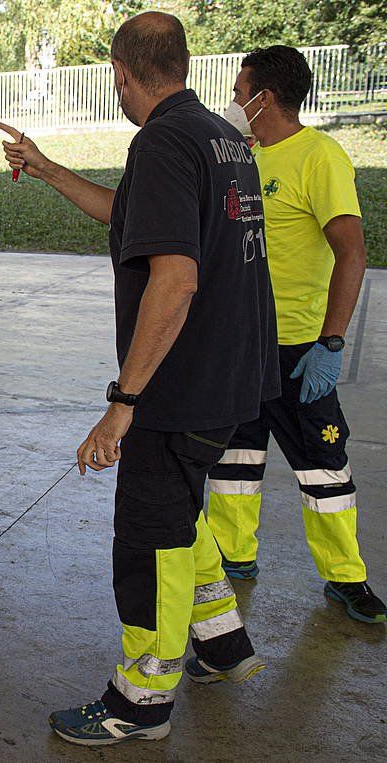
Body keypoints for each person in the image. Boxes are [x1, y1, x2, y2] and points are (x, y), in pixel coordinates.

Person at [0, 11, 278, 746]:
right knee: (182, 515)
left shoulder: (161, 141)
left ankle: (141, 701)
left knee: (150, 538)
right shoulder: (221, 137)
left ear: (120, 74)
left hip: (180, 388)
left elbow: (176, 278)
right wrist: (49, 167)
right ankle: (219, 645)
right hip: (232, 378)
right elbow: (131, 219)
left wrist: (123, 403)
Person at [205, 46, 384, 623]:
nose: (234, 100)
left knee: (323, 465)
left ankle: (345, 577)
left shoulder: (320, 157)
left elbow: (352, 252)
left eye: (241, 90)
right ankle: (234, 558)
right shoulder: (241, 155)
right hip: (239, 344)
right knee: (234, 461)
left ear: (267, 96)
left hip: (300, 349)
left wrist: (331, 343)